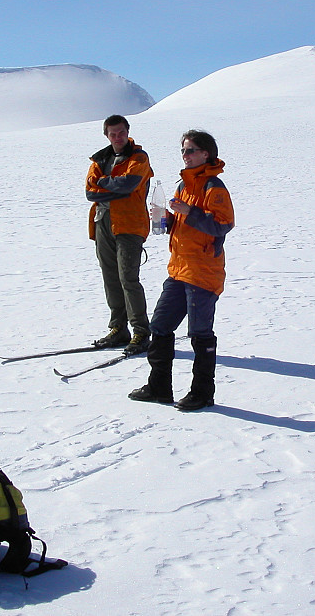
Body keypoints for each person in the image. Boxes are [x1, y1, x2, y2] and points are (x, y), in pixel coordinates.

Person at [129, 130, 234, 411]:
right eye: (183, 151)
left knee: (200, 333)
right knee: (160, 326)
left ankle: (202, 393)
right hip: (179, 268)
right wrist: (166, 219)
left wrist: (189, 212)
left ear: (206, 154)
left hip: (203, 272)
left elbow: (222, 225)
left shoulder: (214, 187)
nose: (185, 156)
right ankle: (159, 387)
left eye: (190, 150)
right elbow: (180, 223)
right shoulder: (181, 186)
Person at [86, 114, 153, 355]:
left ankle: (141, 332)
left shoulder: (139, 158)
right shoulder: (99, 159)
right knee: (110, 277)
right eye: (112, 133)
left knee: (128, 279)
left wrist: (104, 184)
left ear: (128, 131)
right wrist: (113, 187)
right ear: (107, 135)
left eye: (121, 132)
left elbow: (128, 185)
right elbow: (90, 193)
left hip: (130, 225)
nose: (117, 137)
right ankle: (118, 329)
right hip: (103, 223)